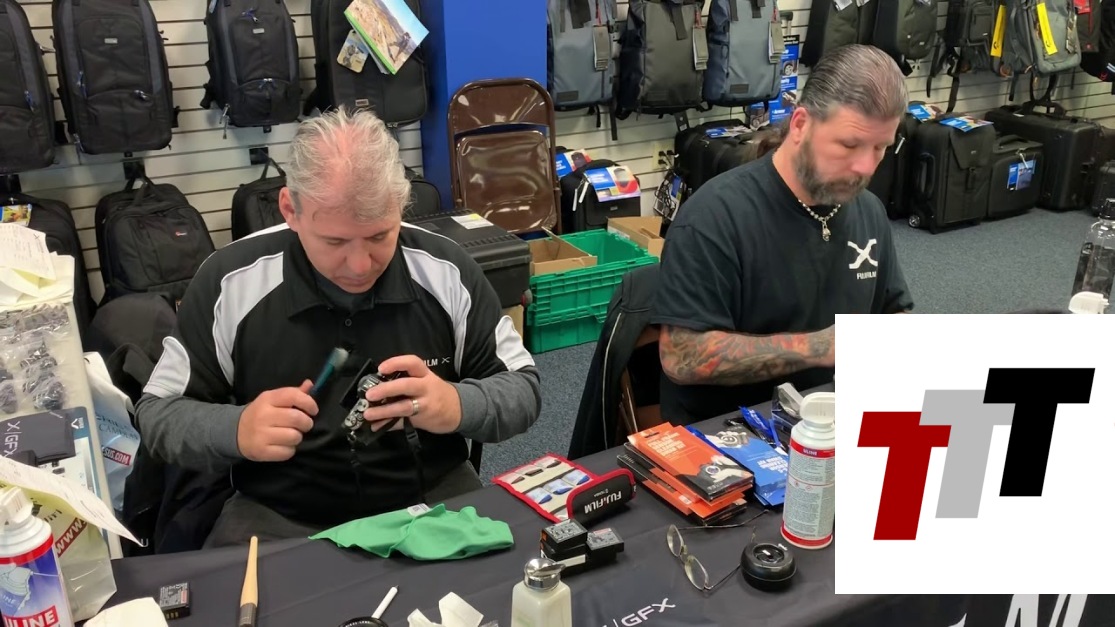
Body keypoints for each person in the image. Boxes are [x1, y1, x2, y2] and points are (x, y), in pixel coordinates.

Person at [136, 107, 542, 546]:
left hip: (429, 499)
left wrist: (456, 403)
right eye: (334, 241)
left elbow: (524, 389)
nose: (359, 265)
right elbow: (158, 414)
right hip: (279, 512)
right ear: (290, 210)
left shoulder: (447, 271)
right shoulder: (229, 282)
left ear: (400, 206)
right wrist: (236, 429)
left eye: (379, 236)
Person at [652, 44, 914, 424]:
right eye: (849, 144)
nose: (865, 166)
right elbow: (682, 356)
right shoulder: (714, 217)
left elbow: (892, 311)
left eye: (880, 148)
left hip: (832, 417)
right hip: (732, 431)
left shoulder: (868, 210)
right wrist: (821, 347)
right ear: (801, 124)